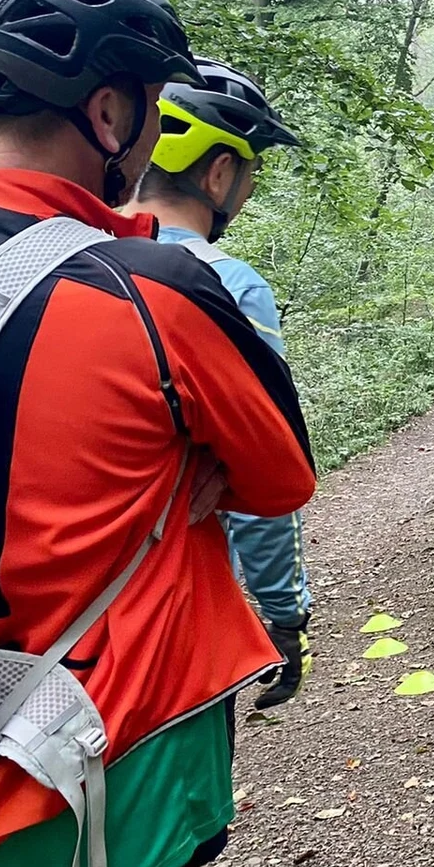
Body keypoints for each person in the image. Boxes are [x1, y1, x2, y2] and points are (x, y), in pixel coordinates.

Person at [0, 0, 316, 867]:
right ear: (110, 114)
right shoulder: (157, 290)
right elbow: (280, 482)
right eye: (151, 102)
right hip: (104, 786)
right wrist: (186, 461)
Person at [124, 59, 313, 710]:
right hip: (174, 614)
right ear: (220, 172)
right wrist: (284, 615)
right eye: (250, 171)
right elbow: (265, 479)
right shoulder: (227, 287)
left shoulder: (49, 259)